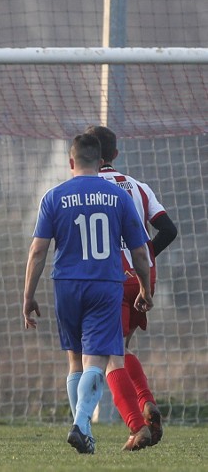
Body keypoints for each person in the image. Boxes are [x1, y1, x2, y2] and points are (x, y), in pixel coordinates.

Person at [22, 134, 155, 454]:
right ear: (100, 162)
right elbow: (139, 252)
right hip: (104, 286)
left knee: (74, 362)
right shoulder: (118, 195)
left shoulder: (53, 196)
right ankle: (81, 423)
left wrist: (27, 296)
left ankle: (84, 431)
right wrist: (145, 289)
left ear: (71, 163)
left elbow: (38, 251)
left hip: (66, 284)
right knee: (97, 359)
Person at [87, 124, 177, 446]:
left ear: (87, 155)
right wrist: (143, 259)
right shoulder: (138, 186)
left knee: (110, 356)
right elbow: (169, 230)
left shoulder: (88, 188)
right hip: (141, 276)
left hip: (108, 278)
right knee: (121, 350)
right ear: (116, 154)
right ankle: (146, 401)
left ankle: (136, 425)